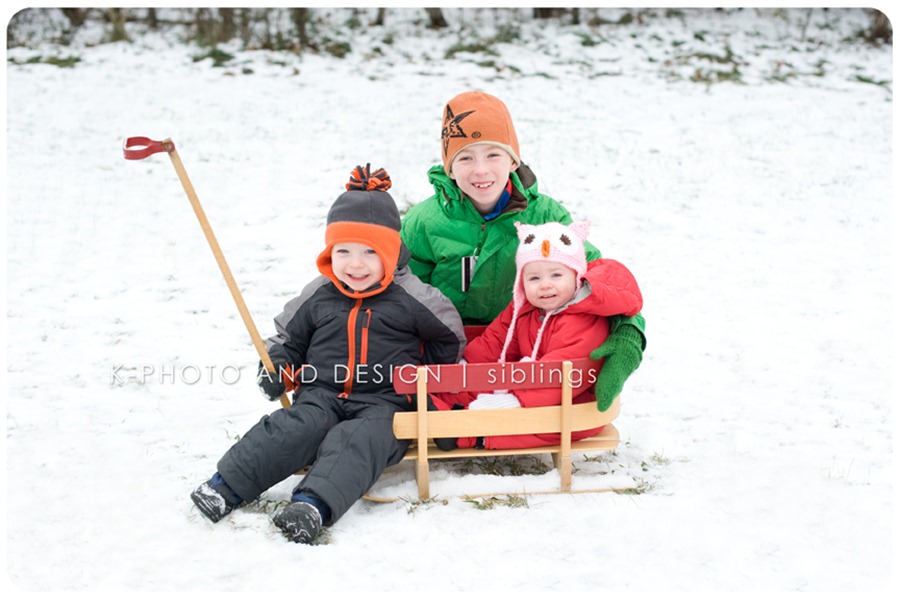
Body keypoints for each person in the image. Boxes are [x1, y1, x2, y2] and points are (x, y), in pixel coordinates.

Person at [190, 165, 466, 544]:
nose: (355, 264)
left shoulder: (413, 297)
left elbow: (448, 337)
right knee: (292, 428)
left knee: (359, 441)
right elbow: (289, 338)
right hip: (320, 393)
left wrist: (425, 383)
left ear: (390, 252)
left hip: (384, 402)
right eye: (344, 251)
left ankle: (312, 505)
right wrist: (278, 366)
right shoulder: (319, 293)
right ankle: (226, 486)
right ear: (329, 253)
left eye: (370, 252)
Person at [400, 90, 646, 412]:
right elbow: (398, 287)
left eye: (493, 154)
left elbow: (594, 274)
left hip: (525, 344)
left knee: (584, 322)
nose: (480, 170)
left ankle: (523, 403)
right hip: (447, 347)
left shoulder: (544, 215)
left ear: (513, 160)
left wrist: (629, 329)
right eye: (465, 158)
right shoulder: (425, 221)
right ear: (449, 167)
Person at [430, 220, 642, 450]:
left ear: (576, 276)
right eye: (534, 278)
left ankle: (472, 436)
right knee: (476, 384)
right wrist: (465, 367)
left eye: (556, 275)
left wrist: (515, 400)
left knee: (554, 424)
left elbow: (560, 374)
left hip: (570, 397)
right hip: (527, 380)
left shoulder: (583, 319)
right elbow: (497, 340)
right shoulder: (524, 307)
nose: (545, 285)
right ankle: (434, 406)